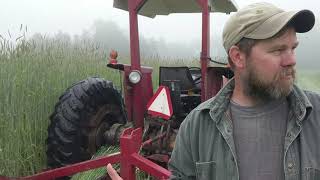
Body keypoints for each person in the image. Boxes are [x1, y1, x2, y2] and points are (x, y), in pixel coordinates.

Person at [107, 2, 319, 180]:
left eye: (293, 48)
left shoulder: (315, 116)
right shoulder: (197, 127)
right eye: (278, 50)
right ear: (238, 57)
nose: (291, 60)